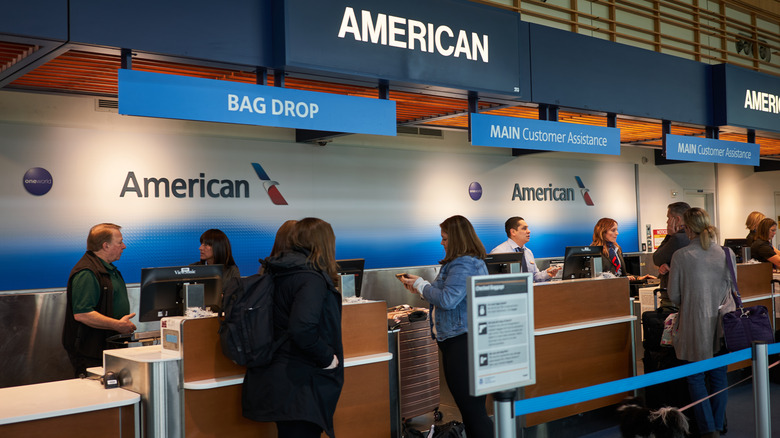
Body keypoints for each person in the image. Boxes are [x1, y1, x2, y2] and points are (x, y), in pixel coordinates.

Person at [242, 218, 343, 438]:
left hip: (278, 376)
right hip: (301, 381)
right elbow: (302, 328)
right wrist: (328, 358)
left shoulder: (278, 270)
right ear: (324, 244)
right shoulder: (310, 278)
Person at [400, 215, 494, 438]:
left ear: (457, 239)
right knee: (471, 410)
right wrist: (422, 289)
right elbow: (449, 297)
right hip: (462, 341)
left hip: (462, 343)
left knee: (472, 411)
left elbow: (448, 299)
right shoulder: (464, 262)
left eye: (445, 238)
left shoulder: (463, 263)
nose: (442, 243)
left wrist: (422, 285)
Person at [668, 208, 734, 438]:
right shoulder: (727, 253)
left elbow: (674, 295)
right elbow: (732, 289)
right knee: (719, 376)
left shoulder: (681, 256)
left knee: (696, 377)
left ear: (687, 228)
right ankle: (717, 424)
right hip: (723, 324)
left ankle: (708, 430)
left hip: (694, 325)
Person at [62, 223, 136, 377]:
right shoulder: (87, 273)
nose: (124, 246)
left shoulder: (108, 269)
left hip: (109, 348)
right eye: (120, 242)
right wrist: (118, 325)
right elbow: (83, 314)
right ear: (106, 246)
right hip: (91, 353)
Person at [490, 216, 559, 282]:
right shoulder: (499, 252)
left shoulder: (528, 252)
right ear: (513, 232)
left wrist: (547, 274)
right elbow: (493, 282)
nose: (529, 231)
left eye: (527, 228)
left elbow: (534, 277)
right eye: (524, 228)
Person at [652, 202, 690, 308]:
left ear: (677, 219)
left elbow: (657, 258)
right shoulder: (693, 236)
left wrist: (668, 236)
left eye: (669, 218)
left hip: (673, 298)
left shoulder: (678, 238)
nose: (667, 221)